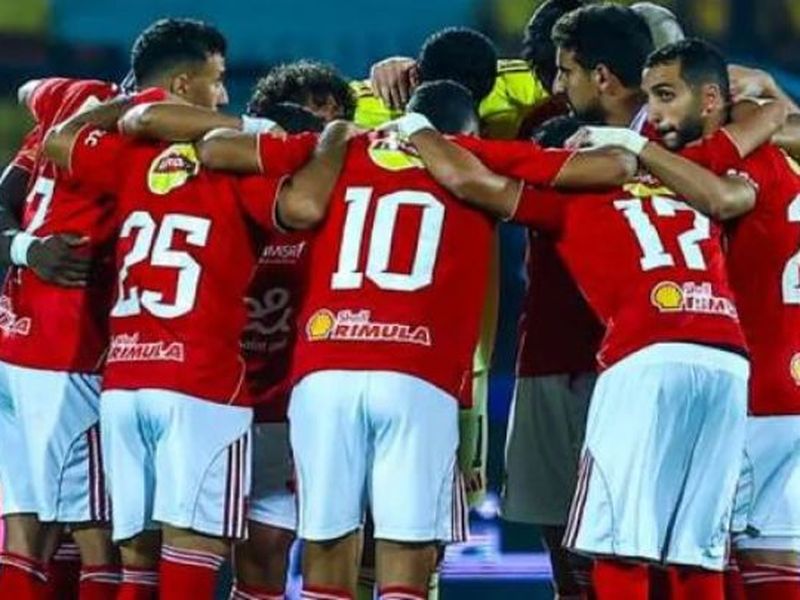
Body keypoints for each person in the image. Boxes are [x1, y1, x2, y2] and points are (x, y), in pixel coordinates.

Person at [396, 72, 788, 600]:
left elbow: (470, 182)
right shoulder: (685, 178)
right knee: (697, 552)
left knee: (615, 546)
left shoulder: (567, 200)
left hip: (645, 355)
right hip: (727, 362)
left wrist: (417, 129)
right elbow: (764, 125)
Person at [42, 86, 351, 600]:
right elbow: (302, 204)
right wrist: (334, 138)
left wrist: (132, 102)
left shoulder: (138, 160)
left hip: (126, 380)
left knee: (137, 561)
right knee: (194, 552)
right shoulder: (246, 173)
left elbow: (63, 137)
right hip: (203, 387)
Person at [0, 17, 234, 600]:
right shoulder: (148, 142)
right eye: (216, 81)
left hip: (13, 333)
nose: (222, 97)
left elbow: (29, 91)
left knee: (25, 532)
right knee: (101, 538)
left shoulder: (70, 97)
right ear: (179, 87)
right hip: (70, 344)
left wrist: (24, 248)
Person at [638, 39, 800, 600]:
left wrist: (636, 148)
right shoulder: (788, 158)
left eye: (665, 96)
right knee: (778, 558)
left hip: (752, 388)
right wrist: (773, 101)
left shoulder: (734, 163)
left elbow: (722, 197)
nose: (654, 114)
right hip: (790, 380)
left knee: (705, 554)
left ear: (711, 101)